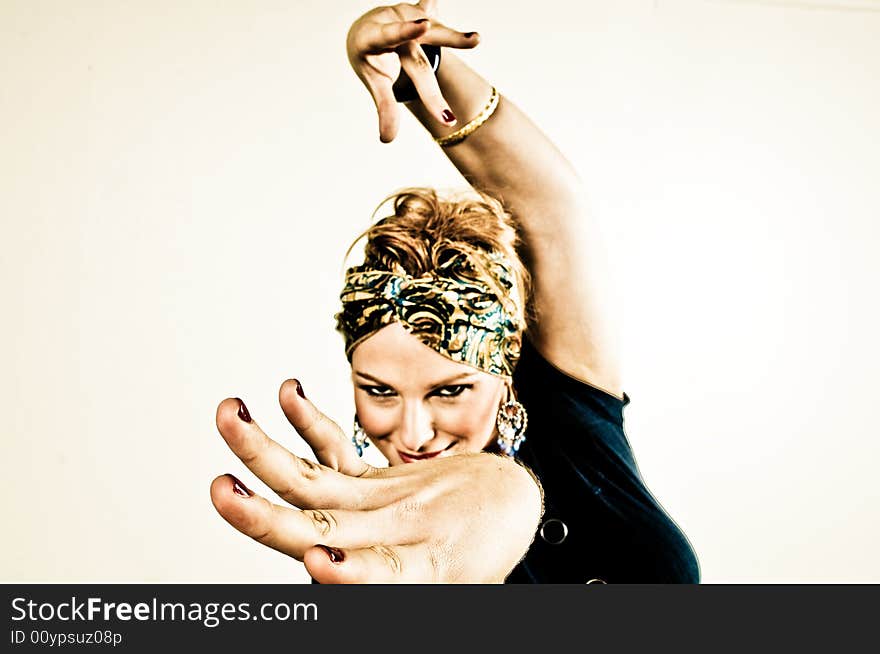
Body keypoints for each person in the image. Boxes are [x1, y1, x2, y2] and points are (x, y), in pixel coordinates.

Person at [210, 0, 700, 584]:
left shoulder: (569, 412)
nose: (413, 435)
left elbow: (552, 208)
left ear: (506, 368)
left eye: (451, 390)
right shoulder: (370, 555)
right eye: (380, 391)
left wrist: (426, 68)